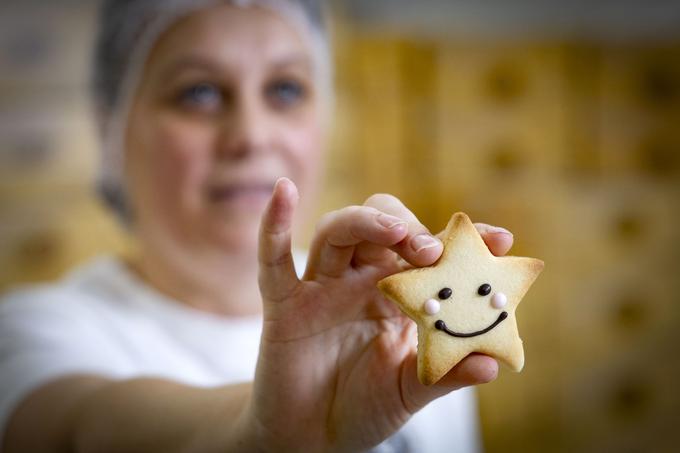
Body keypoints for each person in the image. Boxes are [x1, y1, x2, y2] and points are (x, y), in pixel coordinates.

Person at [0, 0, 515, 451]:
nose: (250, 134)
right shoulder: (37, 329)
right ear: (112, 124)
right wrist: (262, 434)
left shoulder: (409, 322)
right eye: (198, 92)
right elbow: (82, 426)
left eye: (286, 90)